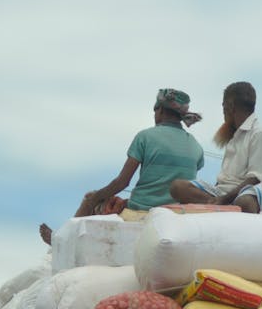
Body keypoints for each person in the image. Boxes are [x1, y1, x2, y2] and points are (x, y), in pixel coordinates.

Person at [39, 88, 205, 243]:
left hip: (141, 211)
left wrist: (95, 198)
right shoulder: (196, 146)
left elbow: (122, 182)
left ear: (160, 110)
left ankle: (62, 241)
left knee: (91, 198)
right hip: (174, 213)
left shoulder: (145, 137)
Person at [169, 81, 262, 213]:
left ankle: (222, 205)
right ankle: (221, 205)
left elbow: (255, 179)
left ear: (230, 107)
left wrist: (224, 199)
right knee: (177, 187)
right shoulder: (234, 136)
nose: (223, 111)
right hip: (226, 193)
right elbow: (223, 181)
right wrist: (217, 196)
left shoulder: (261, 134)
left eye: (223, 106)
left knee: (245, 202)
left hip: (260, 192)